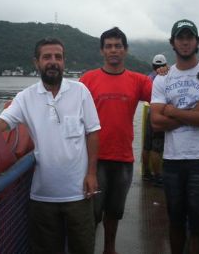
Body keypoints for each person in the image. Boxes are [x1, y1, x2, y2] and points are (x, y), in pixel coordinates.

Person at [0, 37, 100, 254]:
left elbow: (93, 132)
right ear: (36, 62)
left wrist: (91, 174)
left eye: (58, 57)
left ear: (64, 62)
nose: (53, 62)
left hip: (78, 194)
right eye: (47, 57)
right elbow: (2, 123)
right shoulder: (25, 98)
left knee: (83, 248)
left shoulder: (80, 92)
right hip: (43, 197)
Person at [150, 19, 199, 254]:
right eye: (180, 37)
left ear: (197, 41)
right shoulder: (162, 78)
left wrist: (172, 111)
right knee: (175, 221)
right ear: (173, 42)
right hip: (172, 161)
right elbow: (156, 122)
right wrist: (193, 113)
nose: (184, 42)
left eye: (189, 37)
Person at [80, 27, 152, 254]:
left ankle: (110, 249)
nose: (113, 50)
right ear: (102, 50)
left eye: (118, 46)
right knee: (92, 212)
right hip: (94, 158)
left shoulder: (138, 80)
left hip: (123, 158)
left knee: (115, 210)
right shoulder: (87, 80)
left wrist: (166, 75)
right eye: (109, 46)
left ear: (125, 50)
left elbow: (164, 96)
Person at [142, 54, 167, 186]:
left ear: (152, 66)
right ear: (165, 65)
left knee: (147, 146)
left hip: (150, 113)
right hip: (161, 115)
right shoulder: (165, 78)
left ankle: (146, 173)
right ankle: (158, 176)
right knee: (156, 148)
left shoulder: (148, 78)